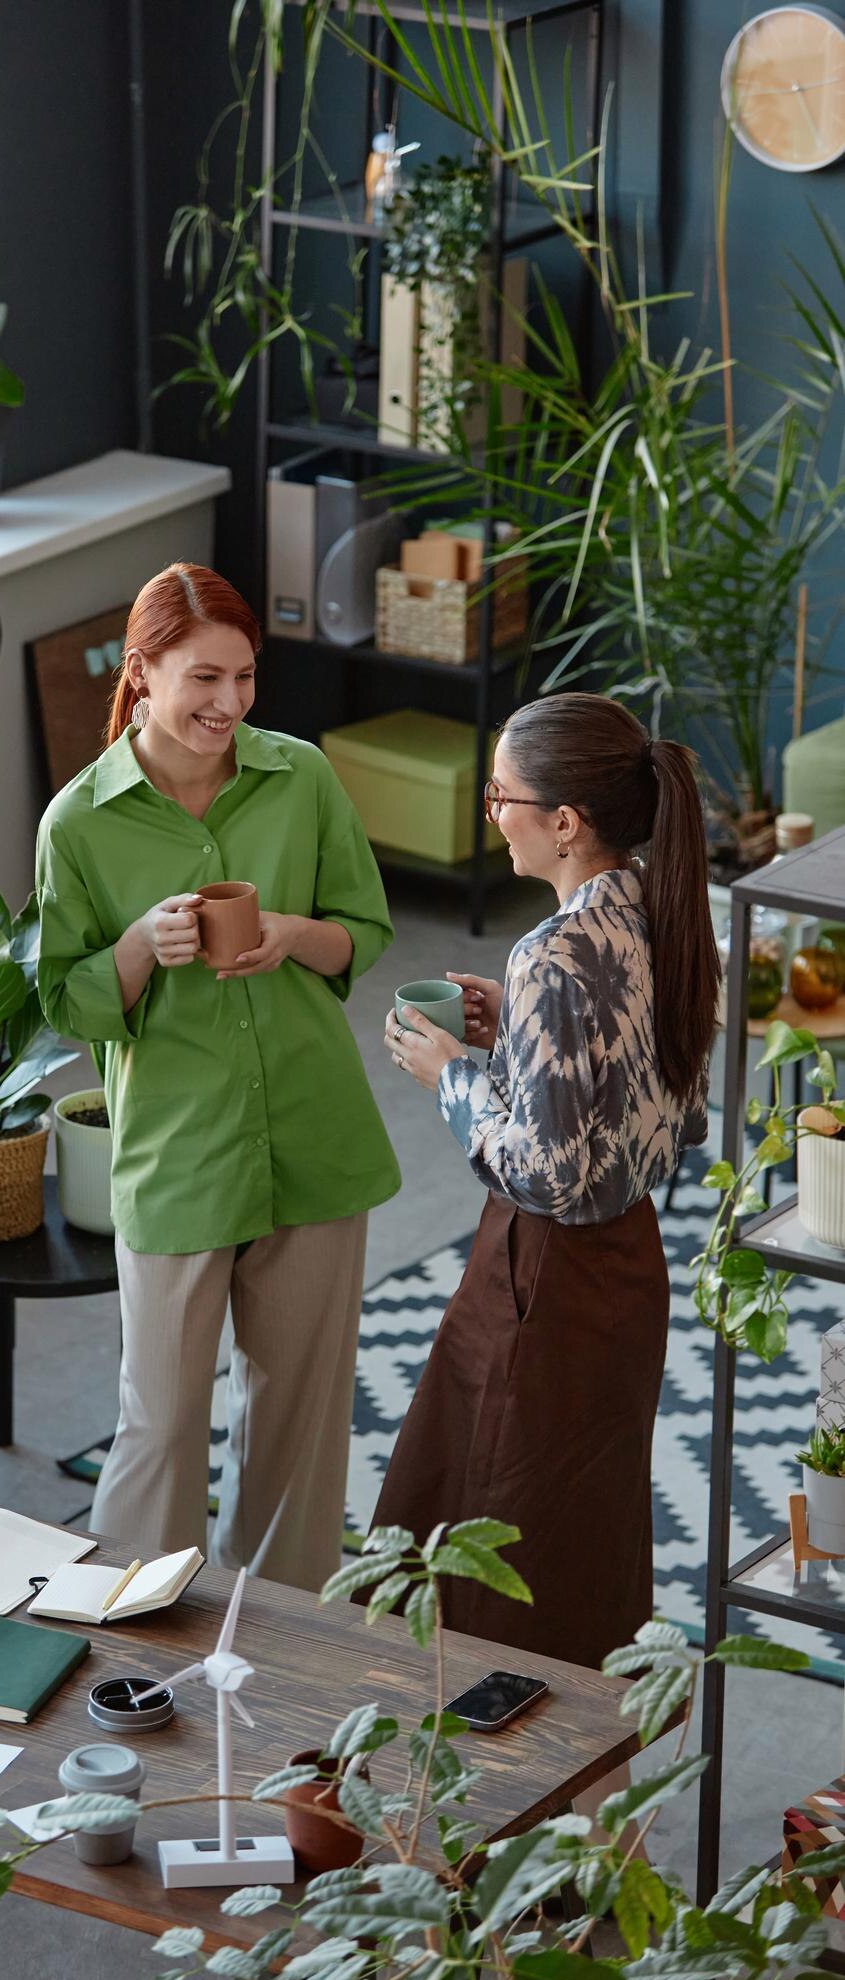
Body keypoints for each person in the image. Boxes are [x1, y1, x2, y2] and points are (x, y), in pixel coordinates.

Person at [36, 562, 400, 1592]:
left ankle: (274, 1644)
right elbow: (64, 999)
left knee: (298, 1421)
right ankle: (125, 1621)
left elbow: (363, 930)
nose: (229, 703)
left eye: (243, 676)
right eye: (203, 677)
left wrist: (292, 933)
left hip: (314, 1133)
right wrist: (138, 948)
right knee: (159, 1420)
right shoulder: (79, 822)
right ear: (141, 672)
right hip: (179, 1149)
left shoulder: (301, 777)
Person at [373, 691, 717, 1685]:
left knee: (493, 1522)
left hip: (543, 1275)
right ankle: (585, 1745)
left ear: (564, 821)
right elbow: (674, 1111)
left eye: (501, 795)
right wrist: (518, 1038)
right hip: (630, 1265)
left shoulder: (553, 954)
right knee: (584, 1525)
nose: (492, 813)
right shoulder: (661, 905)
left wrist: (451, 1075)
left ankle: (482, 1742)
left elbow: (547, 1172)